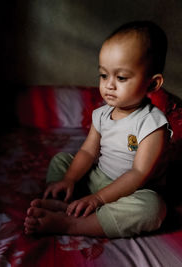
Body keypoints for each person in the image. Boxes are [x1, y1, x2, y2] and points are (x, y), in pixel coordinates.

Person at [24, 21, 172, 238]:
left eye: (121, 77)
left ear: (152, 84)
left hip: (130, 192)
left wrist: (98, 199)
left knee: (153, 208)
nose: (109, 85)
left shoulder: (152, 123)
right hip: (98, 178)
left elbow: (138, 173)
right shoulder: (101, 114)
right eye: (104, 75)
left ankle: (71, 224)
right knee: (62, 161)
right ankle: (61, 201)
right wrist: (70, 180)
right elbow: (87, 152)